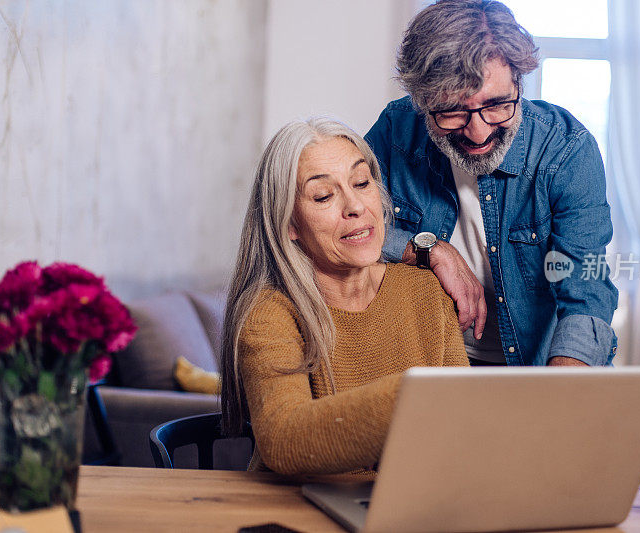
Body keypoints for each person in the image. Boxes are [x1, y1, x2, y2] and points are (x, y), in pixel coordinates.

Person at [365, 0, 618, 368]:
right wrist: (428, 250)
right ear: (421, 102)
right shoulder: (396, 130)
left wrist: (560, 396)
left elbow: (585, 289)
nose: (479, 131)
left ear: (519, 82)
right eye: (452, 111)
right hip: (433, 365)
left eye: (498, 105)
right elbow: (348, 228)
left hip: (540, 368)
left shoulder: (566, 149)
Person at [219, 118, 468, 476]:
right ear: (289, 223)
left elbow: (460, 432)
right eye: (323, 196)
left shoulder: (425, 290)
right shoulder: (269, 312)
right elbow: (284, 439)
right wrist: (419, 397)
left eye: (362, 183)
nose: (355, 206)